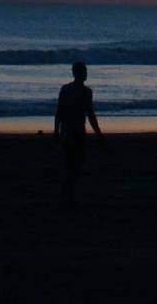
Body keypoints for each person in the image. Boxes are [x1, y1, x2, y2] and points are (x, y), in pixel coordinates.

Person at [54, 61, 106, 210]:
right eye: (85, 71)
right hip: (76, 130)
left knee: (71, 163)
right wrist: (99, 134)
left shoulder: (66, 89)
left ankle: (67, 195)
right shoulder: (85, 92)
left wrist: (56, 131)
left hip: (67, 129)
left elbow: (59, 112)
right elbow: (90, 114)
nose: (86, 73)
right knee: (75, 163)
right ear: (80, 73)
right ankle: (68, 196)